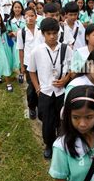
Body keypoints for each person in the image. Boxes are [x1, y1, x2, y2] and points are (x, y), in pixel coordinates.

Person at [28, 18, 73, 159]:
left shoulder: (66, 49)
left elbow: (73, 68)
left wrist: (65, 79)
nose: (52, 36)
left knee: (62, 119)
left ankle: (62, 143)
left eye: (55, 33)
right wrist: (37, 89)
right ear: (43, 34)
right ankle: (49, 144)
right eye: (49, 33)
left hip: (62, 92)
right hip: (45, 92)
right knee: (47, 121)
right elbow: (32, 71)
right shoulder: (37, 51)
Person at [17, 7, 42, 119]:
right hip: (28, 64)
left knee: (41, 85)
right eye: (27, 16)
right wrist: (22, 66)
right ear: (24, 18)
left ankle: (41, 105)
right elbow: (21, 50)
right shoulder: (21, 32)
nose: (30, 18)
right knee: (32, 87)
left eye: (32, 15)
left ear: (36, 17)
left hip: (41, 63)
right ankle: (32, 107)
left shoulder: (41, 30)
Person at [6, 1, 26, 73]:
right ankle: (21, 72)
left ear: (21, 9)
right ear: (12, 9)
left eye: (19, 7)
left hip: (25, 42)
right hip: (15, 42)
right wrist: (12, 33)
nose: (17, 9)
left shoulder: (25, 18)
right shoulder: (9, 20)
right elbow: (8, 32)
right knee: (17, 58)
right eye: (15, 7)